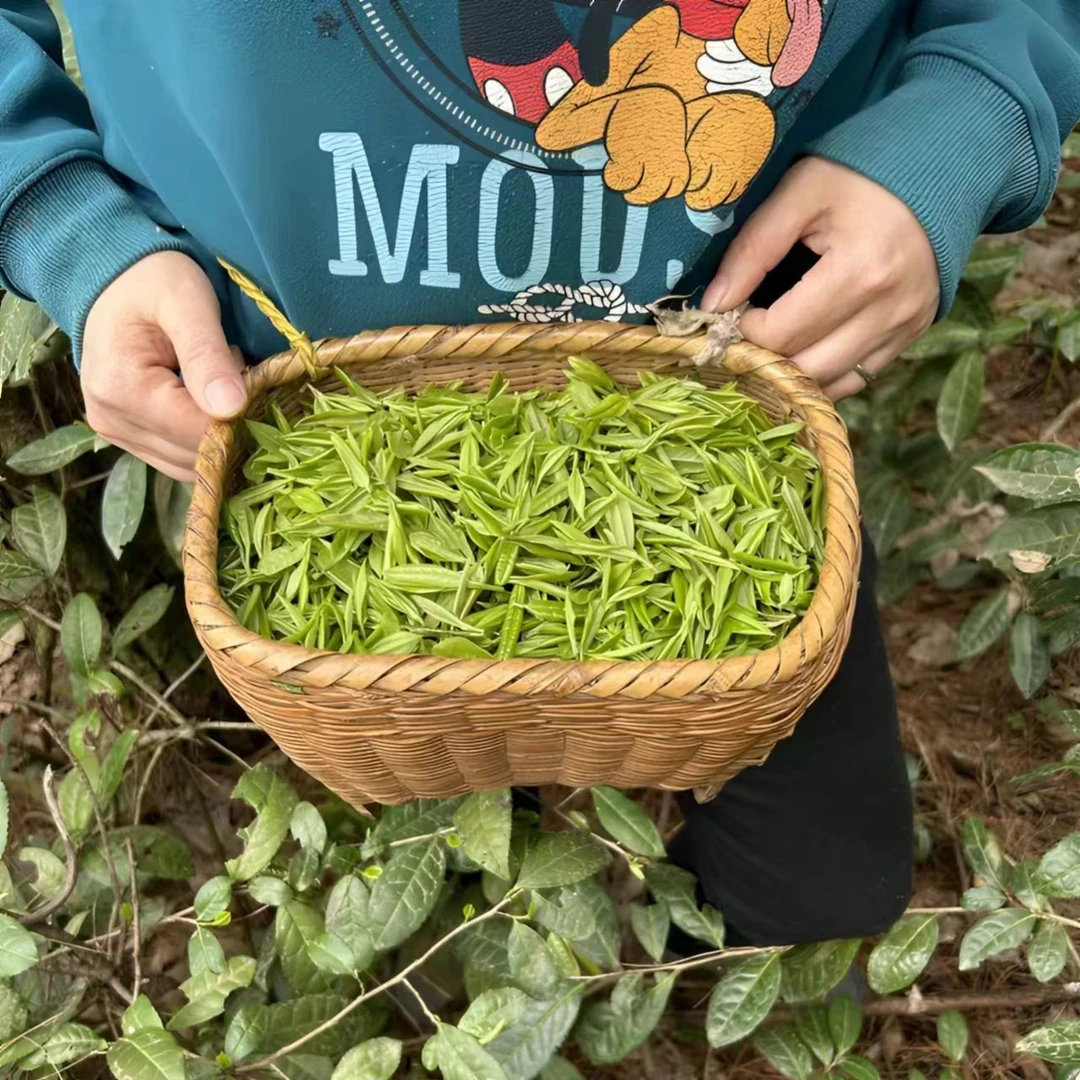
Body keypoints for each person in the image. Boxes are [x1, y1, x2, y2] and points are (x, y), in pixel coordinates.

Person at [2, 0, 1078, 949]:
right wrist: (66, 221)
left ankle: (700, 953)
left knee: (819, 885)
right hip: (313, 445)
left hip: (718, 422)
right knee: (404, 816)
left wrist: (964, 109)